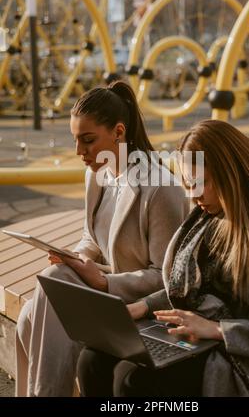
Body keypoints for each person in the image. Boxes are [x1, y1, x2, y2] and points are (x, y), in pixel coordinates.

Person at [77, 119, 249, 397]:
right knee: (93, 358)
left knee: (132, 381)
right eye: (186, 183)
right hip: (202, 335)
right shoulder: (210, 217)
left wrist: (219, 330)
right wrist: (143, 307)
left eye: (199, 183)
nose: (193, 197)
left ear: (231, 175)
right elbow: (194, 287)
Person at [15, 81, 188, 397]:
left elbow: (168, 280)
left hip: (138, 306)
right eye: (75, 140)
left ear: (119, 133)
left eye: (88, 140)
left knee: (47, 296)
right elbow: (90, 237)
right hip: (103, 292)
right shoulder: (96, 175)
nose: (79, 152)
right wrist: (79, 257)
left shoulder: (161, 189)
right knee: (34, 306)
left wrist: (104, 283)